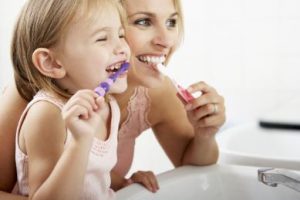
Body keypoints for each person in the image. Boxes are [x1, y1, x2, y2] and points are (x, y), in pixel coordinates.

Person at [0, 0, 226, 198]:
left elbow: (95, 172)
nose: (167, 41)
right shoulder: (42, 107)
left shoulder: (110, 104)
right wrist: (79, 145)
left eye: (171, 22)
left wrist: (204, 134)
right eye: (143, 22)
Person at [4, 0, 130, 199]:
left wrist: (125, 182)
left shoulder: (109, 104)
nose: (122, 47)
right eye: (102, 39)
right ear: (51, 62)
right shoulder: (48, 113)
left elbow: (91, 172)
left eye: (121, 35)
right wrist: (79, 142)